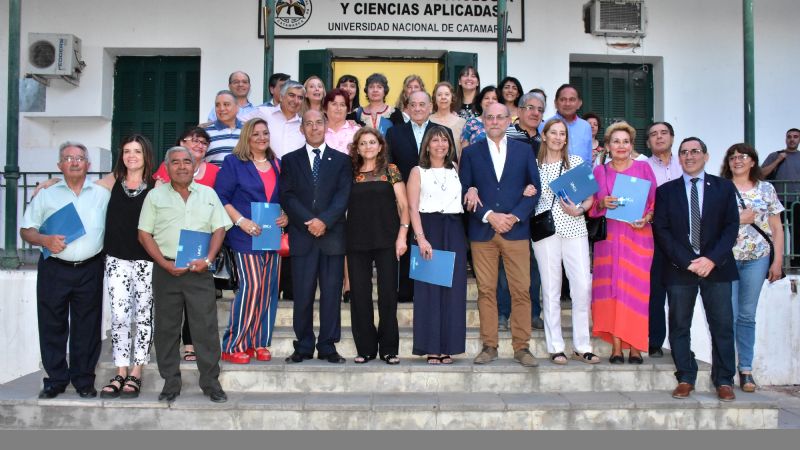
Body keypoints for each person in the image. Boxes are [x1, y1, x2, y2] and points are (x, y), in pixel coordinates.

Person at [138, 146, 232, 403]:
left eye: (186, 162)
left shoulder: (208, 194)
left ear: (194, 166)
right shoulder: (154, 197)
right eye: (175, 162)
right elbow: (144, 234)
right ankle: (170, 383)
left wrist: (209, 260)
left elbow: (219, 230)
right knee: (166, 329)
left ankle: (211, 383)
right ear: (167, 167)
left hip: (199, 272)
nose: (181, 166)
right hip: (165, 270)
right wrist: (163, 264)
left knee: (206, 328)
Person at [21, 142, 111, 399]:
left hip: (90, 268)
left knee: (88, 327)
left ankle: (83, 380)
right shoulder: (46, 195)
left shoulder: (101, 194)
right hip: (54, 269)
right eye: (68, 158)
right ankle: (56, 379)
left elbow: (126, 173)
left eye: (79, 158)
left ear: (88, 165)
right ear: (60, 165)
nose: (74, 162)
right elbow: (26, 230)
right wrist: (45, 241)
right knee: (52, 324)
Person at [653, 137, 739, 402]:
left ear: (706, 155)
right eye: (684, 152)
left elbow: (730, 228)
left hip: (718, 267)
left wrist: (710, 260)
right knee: (679, 325)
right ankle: (686, 377)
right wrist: (688, 260)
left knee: (722, 326)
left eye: (695, 151)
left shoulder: (724, 188)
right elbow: (662, 230)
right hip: (680, 267)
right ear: (679, 158)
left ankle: (724, 380)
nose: (689, 156)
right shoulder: (666, 191)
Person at [459, 102, 541, 367]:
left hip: (516, 230)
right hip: (483, 231)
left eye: (500, 117)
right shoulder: (470, 153)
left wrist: (514, 216)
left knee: (521, 291)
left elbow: (534, 189)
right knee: (486, 291)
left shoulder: (524, 150)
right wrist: (489, 216)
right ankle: (489, 346)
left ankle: (522, 347)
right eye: (489, 117)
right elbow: (464, 192)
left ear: (509, 120)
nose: (494, 121)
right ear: (483, 121)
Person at [214, 118, 289, 364]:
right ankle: (234, 344)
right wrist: (240, 221)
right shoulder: (233, 163)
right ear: (247, 137)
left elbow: (284, 199)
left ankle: (259, 342)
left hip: (271, 236)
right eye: (255, 133)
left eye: (265, 133)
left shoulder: (278, 164)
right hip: (246, 235)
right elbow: (221, 196)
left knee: (268, 291)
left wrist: (285, 216)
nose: (261, 137)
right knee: (252, 287)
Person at [280, 109, 352, 364]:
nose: (313, 128)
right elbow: (286, 195)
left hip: (332, 236)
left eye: (318, 123)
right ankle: (303, 346)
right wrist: (308, 222)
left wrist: (325, 221)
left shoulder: (342, 160)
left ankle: (328, 346)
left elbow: (343, 196)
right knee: (303, 294)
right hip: (302, 235)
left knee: (331, 294)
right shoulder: (289, 160)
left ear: (325, 125)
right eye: (308, 124)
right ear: (302, 129)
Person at [589, 121, 656, 365]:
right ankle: (617, 345)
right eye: (616, 141)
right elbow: (592, 207)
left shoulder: (644, 169)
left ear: (631, 145)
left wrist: (646, 217)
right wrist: (602, 204)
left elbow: (652, 203)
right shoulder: (600, 172)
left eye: (625, 141)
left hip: (638, 237)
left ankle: (636, 345)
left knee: (635, 293)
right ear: (607, 145)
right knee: (613, 291)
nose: (621, 146)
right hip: (609, 240)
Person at [532, 119, 599, 365]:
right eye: (554, 133)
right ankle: (556, 346)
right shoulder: (534, 166)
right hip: (545, 232)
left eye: (563, 134)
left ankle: (582, 345)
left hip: (575, 228)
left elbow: (591, 199)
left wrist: (579, 209)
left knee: (582, 285)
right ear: (545, 136)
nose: (559, 138)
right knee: (550, 288)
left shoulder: (577, 164)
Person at [720, 143, 785, 392]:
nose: (737, 160)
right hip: (726, 259)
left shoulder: (766, 189)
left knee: (746, 316)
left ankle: (745, 370)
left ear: (753, 161)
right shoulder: (721, 188)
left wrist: (777, 260)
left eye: (742, 156)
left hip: (757, 258)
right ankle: (725, 370)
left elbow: (777, 228)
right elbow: (712, 223)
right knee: (728, 316)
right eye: (733, 157)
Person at [96, 135, 156, 399]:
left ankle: (136, 371)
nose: (132, 156)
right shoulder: (111, 182)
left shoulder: (157, 185)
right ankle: (120, 370)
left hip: (146, 261)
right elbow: (79, 191)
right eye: (127, 151)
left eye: (137, 151)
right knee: (120, 316)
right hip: (117, 259)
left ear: (146, 156)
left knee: (143, 316)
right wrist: (49, 184)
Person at [153, 127, 219, 362]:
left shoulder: (214, 172)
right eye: (193, 140)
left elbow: (218, 215)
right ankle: (172, 373)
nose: (198, 144)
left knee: (201, 309)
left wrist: (210, 257)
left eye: (203, 141)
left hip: (201, 251)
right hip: (169, 255)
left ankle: (192, 345)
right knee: (170, 315)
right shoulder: (166, 167)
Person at [345, 127, 409, 364]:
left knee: (388, 295)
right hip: (356, 240)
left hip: (387, 240)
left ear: (380, 146)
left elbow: (403, 206)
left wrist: (402, 236)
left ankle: (389, 349)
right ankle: (365, 349)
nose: (368, 146)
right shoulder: (350, 171)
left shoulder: (390, 171)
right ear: (357, 148)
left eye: (372, 142)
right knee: (360, 296)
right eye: (363, 143)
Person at [407, 124, 468, 364]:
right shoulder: (417, 171)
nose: (440, 145)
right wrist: (421, 238)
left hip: (453, 228)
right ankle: (431, 347)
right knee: (429, 290)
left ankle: (448, 347)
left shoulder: (455, 167)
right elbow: (412, 207)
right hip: (429, 228)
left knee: (453, 290)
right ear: (427, 145)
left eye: (445, 140)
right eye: (435, 140)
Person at [387, 91, 455, 304]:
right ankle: (406, 291)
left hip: (437, 198)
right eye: (413, 104)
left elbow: (451, 162)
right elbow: (390, 164)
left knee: (433, 240)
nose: (417, 108)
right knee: (407, 239)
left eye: (422, 104)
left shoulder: (444, 132)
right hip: (405, 198)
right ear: (407, 107)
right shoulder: (394, 133)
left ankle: (432, 290)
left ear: (430, 106)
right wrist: (400, 190)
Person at [503, 91, 546, 330]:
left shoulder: (545, 140)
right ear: (519, 111)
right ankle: (503, 312)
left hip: (538, 212)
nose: (535, 113)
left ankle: (532, 313)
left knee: (534, 264)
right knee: (504, 264)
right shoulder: (506, 135)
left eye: (539, 110)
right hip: (510, 210)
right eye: (530, 108)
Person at [645, 121, 682, 358]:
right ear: (648, 141)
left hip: (683, 237)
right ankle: (655, 341)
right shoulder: (642, 167)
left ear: (672, 137)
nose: (659, 138)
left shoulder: (686, 165)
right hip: (653, 235)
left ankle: (680, 343)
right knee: (655, 291)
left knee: (681, 293)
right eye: (653, 135)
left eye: (663, 133)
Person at [761, 128, 800, 266]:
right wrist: (778, 160)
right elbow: (761, 174)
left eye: (795, 137)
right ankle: (774, 262)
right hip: (778, 201)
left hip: (797, 201)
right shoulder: (775, 155)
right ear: (785, 139)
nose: (792, 139)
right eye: (789, 136)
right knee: (775, 232)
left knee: (797, 232)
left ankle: (796, 263)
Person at [244, 80, 306, 159]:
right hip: (267, 169)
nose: (296, 101)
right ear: (281, 97)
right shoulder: (264, 113)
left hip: (294, 170)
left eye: (300, 98)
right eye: (291, 95)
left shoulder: (304, 125)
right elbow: (238, 120)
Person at [541, 84, 592, 164]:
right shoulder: (544, 126)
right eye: (563, 99)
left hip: (580, 175)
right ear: (556, 103)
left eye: (572, 99)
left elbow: (588, 158)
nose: (567, 104)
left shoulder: (586, 126)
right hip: (553, 175)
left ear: (579, 103)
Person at [204, 90, 243, 166]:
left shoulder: (248, 131)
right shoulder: (205, 132)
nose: (221, 108)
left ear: (237, 107)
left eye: (226, 104)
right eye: (217, 105)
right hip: (215, 177)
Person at [429, 81, 467, 159]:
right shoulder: (427, 121)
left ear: (452, 98)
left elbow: (464, 152)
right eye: (439, 95)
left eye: (447, 94)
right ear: (435, 98)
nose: (443, 97)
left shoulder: (462, 123)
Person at [460, 85, 499, 150]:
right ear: (480, 102)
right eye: (486, 98)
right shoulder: (471, 123)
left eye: (494, 98)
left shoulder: (505, 122)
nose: (490, 101)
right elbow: (463, 151)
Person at [324, 88, 361, 154]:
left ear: (347, 110)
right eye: (334, 104)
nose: (338, 108)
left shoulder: (357, 132)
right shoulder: (318, 131)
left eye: (342, 105)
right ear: (325, 108)